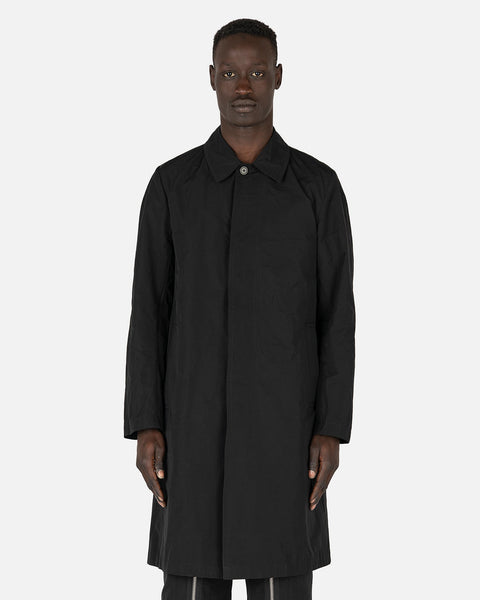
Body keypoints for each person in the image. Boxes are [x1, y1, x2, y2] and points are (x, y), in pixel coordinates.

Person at [123, 17, 356, 600]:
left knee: (281, 572)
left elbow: (337, 317)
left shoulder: (317, 188)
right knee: (191, 573)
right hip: (190, 427)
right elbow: (148, 313)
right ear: (211, 78)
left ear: (278, 77)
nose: (243, 86)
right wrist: (146, 422)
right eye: (230, 73)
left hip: (285, 430)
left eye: (256, 72)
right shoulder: (173, 186)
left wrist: (331, 428)